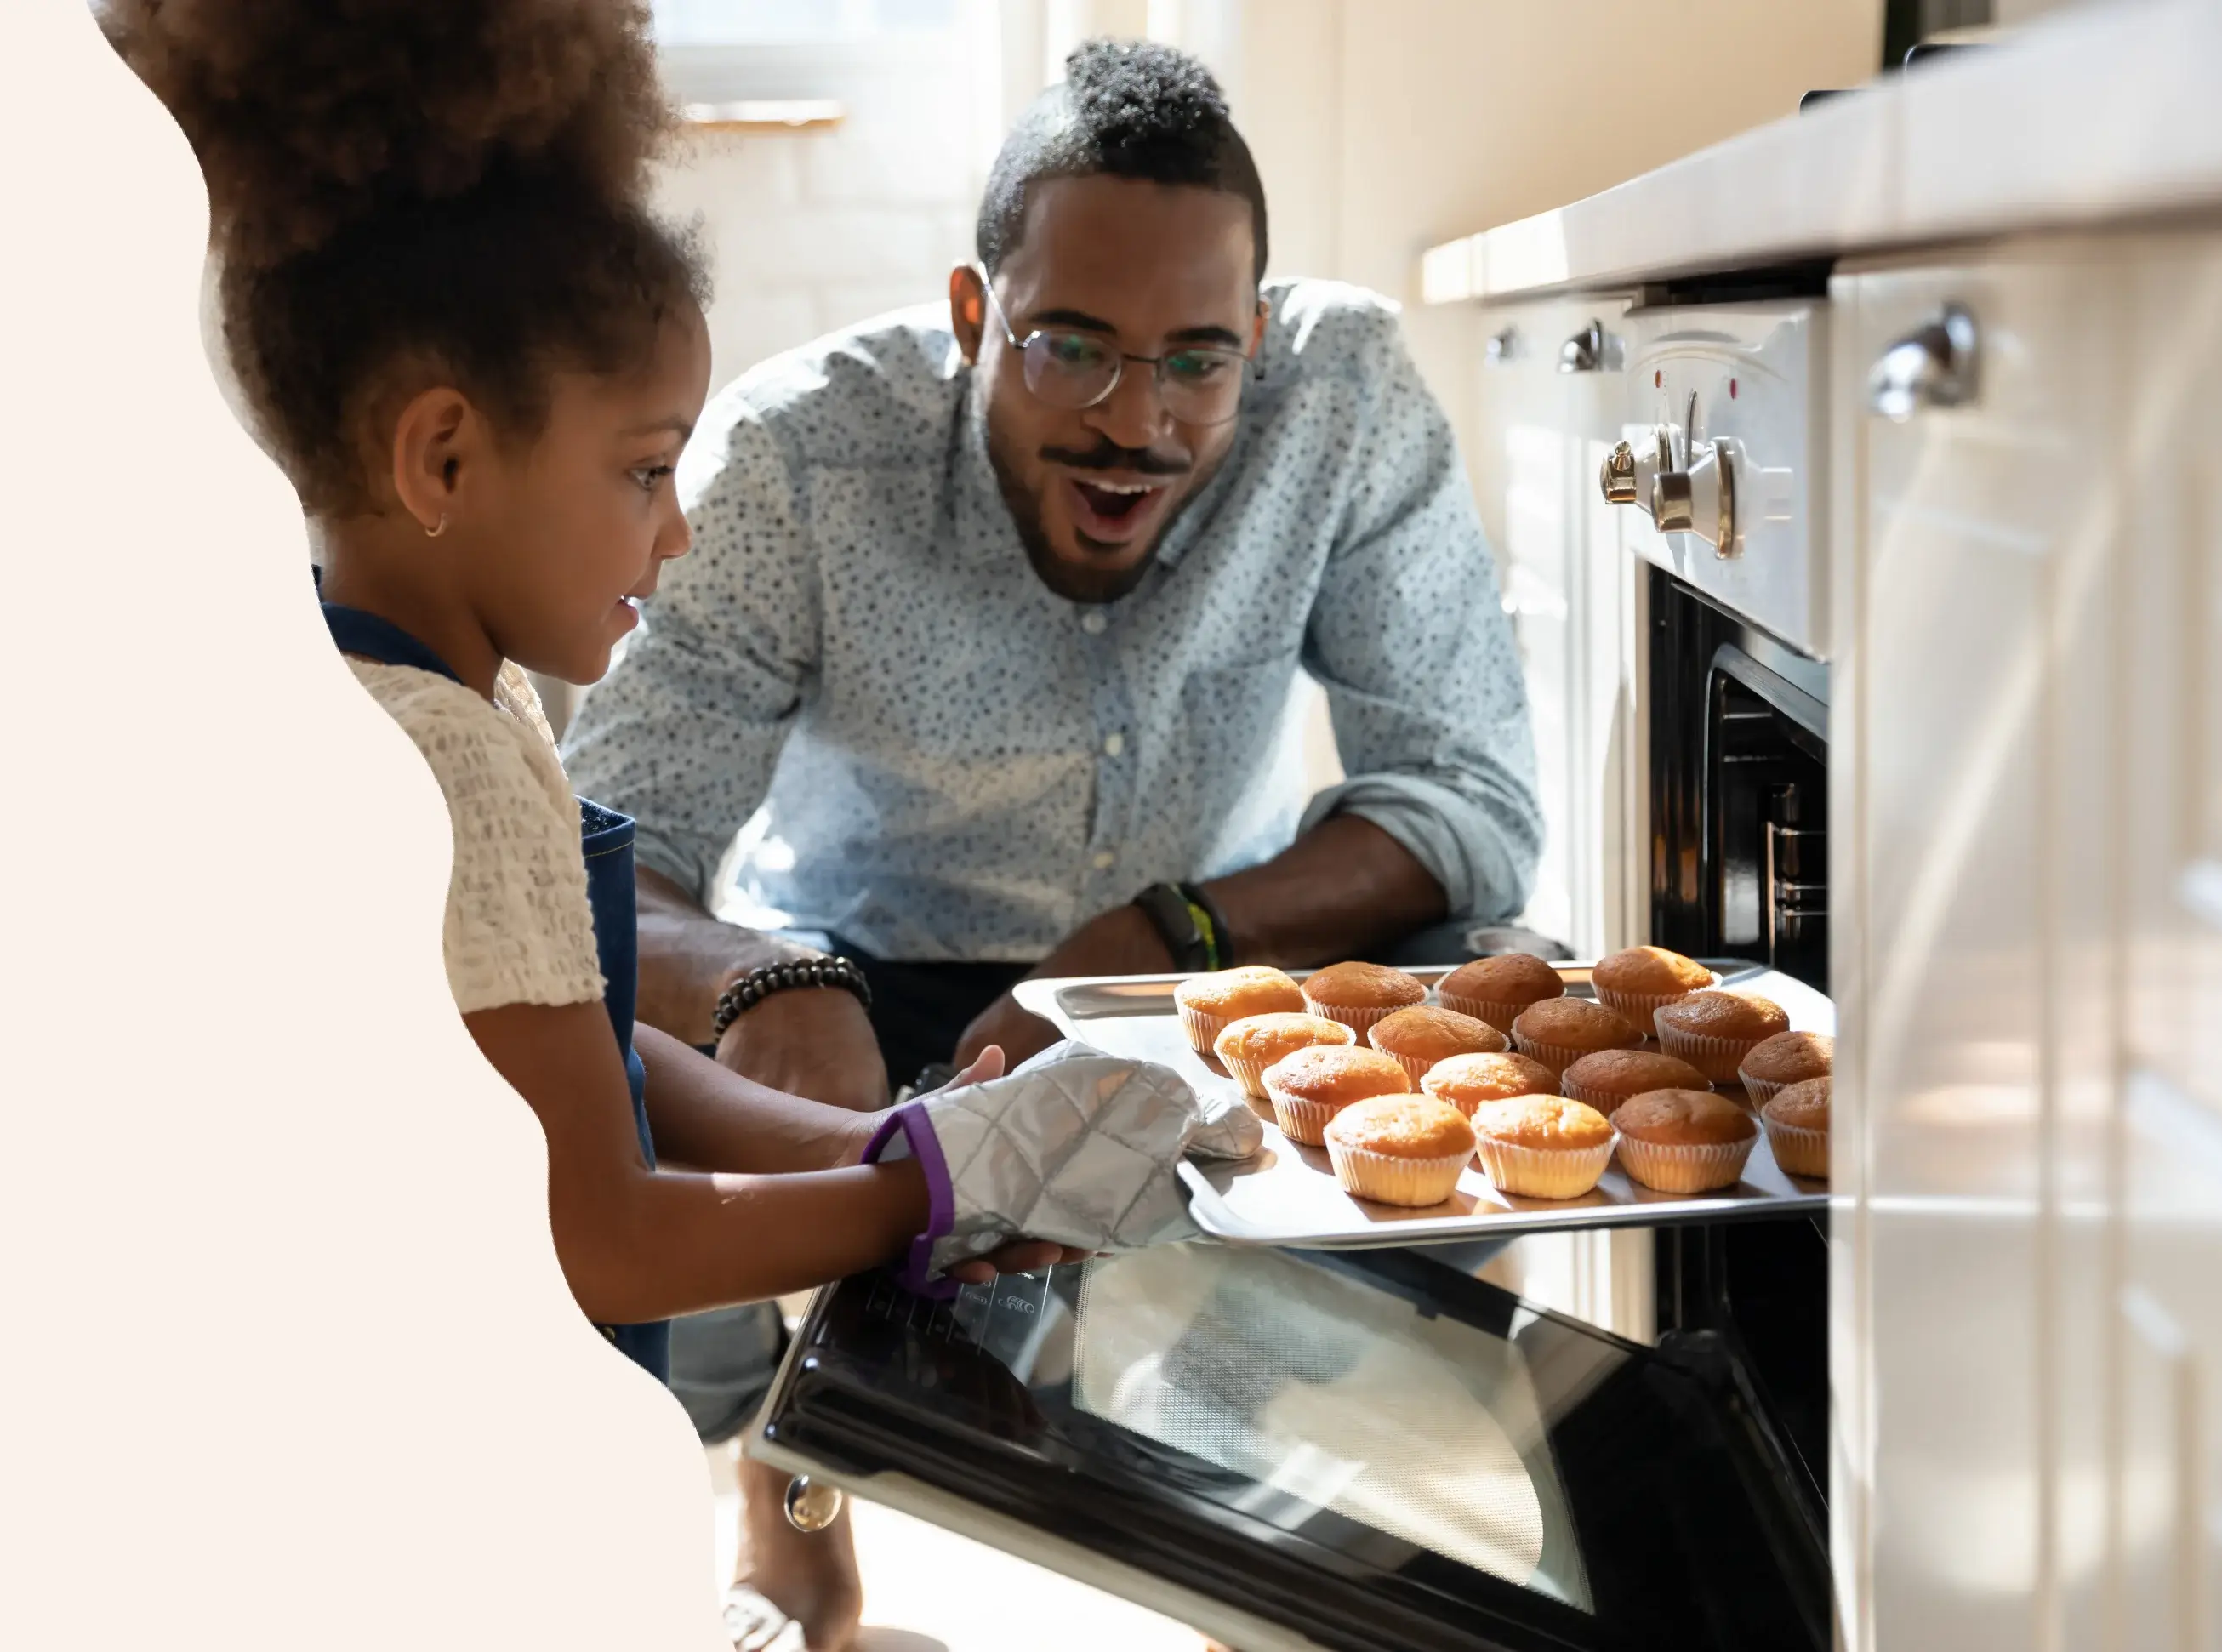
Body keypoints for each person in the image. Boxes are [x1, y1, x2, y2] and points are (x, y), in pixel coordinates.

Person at [102, 10, 1239, 1646]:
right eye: (646, 468)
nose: (682, 522)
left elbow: (590, 1054)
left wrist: (887, 1148)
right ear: (442, 453)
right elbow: (602, 1230)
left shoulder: (428, 690)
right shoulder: (457, 765)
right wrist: (927, 1193)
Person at [559, 41, 1542, 1651]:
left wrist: (1165, 934)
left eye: (1197, 362)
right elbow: (603, 851)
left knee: (1486, 980)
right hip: (857, 983)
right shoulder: (793, 463)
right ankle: (792, 1501)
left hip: (1196, 970)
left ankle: (1287, 1491)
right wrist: (762, 978)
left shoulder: (1343, 400)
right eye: (1070, 347)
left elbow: (1467, 800)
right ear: (973, 317)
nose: (1133, 423)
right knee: (591, 1064)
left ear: (1263, 341)